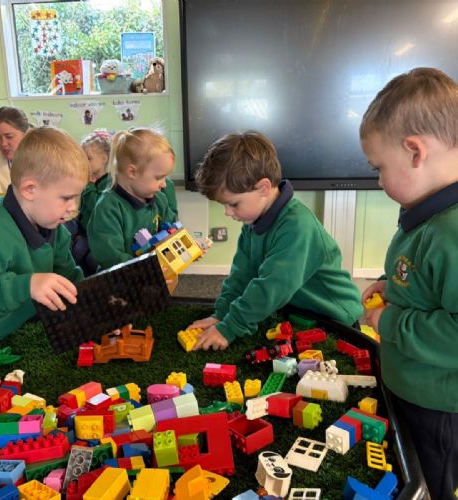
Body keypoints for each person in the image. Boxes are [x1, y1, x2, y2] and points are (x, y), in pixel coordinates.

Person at [360, 67, 458, 499]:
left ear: (415, 152)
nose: (379, 181)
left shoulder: (451, 233)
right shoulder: (429, 212)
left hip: (439, 407)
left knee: (436, 482)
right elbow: (421, 272)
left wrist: (389, 322)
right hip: (413, 389)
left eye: (379, 168)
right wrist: (391, 284)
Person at [185, 131, 363, 351]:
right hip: (297, 313)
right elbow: (242, 274)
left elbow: (272, 287)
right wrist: (221, 315)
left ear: (263, 188)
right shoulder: (253, 222)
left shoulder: (297, 226)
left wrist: (230, 327)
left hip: (335, 320)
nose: (227, 213)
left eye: (234, 204)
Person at [0, 127, 90, 353]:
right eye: (66, 198)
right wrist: (26, 285)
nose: (73, 208)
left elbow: (68, 277)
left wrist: (95, 308)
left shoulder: (54, 225)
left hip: (20, 330)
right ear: (30, 189)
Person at [87, 127, 177, 269]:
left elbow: (172, 231)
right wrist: (147, 268)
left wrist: (184, 249)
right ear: (132, 172)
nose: (164, 184)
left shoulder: (160, 200)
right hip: (120, 278)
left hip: (155, 273)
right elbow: (110, 256)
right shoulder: (108, 207)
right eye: (159, 177)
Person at [68, 129, 113, 275]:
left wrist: (89, 186)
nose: (84, 163)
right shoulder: (90, 179)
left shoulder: (108, 183)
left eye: (88, 158)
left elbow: (96, 207)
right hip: (84, 229)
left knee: (80, 253)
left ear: (104, 159)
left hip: (97, 234)